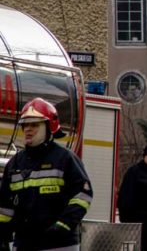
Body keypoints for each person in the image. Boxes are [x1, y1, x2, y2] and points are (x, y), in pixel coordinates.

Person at [0, 98, 93, 251]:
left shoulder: (65, 159)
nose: (28, 129)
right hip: (24, 244)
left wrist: (63, 225)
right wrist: (2, 236)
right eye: (25, 125)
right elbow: (5, 208)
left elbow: (83, 196)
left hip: (60, 244)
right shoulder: (15, 164)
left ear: (49, 127)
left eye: (35, 124)